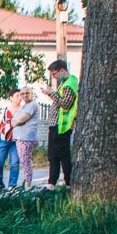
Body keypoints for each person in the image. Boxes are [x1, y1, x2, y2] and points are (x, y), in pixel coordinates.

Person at [39, 59, 78, 189]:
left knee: (63, 155)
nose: (54, 77)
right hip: (55, 125)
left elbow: (66, 104)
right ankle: (52, 183)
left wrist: (52, 93)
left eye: (54, 74)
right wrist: (51, 94)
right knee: (53, 156)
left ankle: (69, 183)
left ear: (62, 71)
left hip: (62, 126)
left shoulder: (70, 84)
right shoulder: (64, 84)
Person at [12, 87, 40, 189]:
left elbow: (22, 119)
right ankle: (26, 182)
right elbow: (14, 119)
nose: (25, 95)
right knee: (24, 162)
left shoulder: (32, 104)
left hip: (26, 137)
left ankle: (28, 185)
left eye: (27, 93)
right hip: (21, 137)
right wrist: (15, 121)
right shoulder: (23, 106)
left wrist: (16, 122)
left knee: (25, 161)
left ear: (31, 94)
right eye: (22, 94)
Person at [0, 90, 22, 188]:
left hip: (16, 141)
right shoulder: (4, 110)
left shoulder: (23, 110)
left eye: (20, 95)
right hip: (3, 141)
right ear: (11, 97)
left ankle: (12, 186)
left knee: (14, 163)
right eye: (17, 96)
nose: (19, 98)